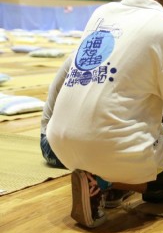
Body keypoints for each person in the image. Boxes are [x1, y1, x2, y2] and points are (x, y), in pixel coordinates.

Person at [47, 0, 163, 229]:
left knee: (151, 131)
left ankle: (107, 183)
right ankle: (103, 181)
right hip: (109, 147)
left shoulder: (101, 13)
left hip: (58, 144)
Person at [40, 55, 134, 207]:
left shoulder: (88, 55)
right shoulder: (121, 62)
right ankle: (111, 184)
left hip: (52, 145)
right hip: (59, 146)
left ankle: (100, 179)